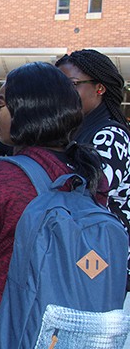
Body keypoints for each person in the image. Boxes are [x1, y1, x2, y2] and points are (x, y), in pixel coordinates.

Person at [0, 62, 107, 349]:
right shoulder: (86, 171)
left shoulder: (3, 176)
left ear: (26, 111)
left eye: (2, 104)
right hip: (58, 330)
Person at [55, 49, 130, 287]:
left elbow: (86, 190)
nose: (63, 93)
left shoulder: (111, 136)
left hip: (100, 258)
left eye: (72, 84)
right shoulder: (76, 129)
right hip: (83, 249)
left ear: (100, 88)